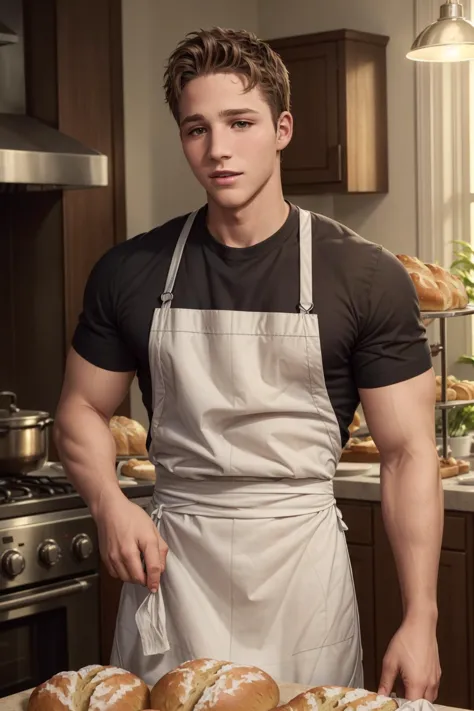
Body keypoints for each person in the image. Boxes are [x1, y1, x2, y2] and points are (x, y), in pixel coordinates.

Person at [54, 26, 442, 701]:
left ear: (283, 128)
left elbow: (408, 455)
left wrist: (421, 615)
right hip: (173, 574)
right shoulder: (133, 270)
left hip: (303, 578)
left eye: (241, 122)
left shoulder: (365, 275)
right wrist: (110, 503)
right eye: (197, 129)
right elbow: (81, 411)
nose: (219, 149)